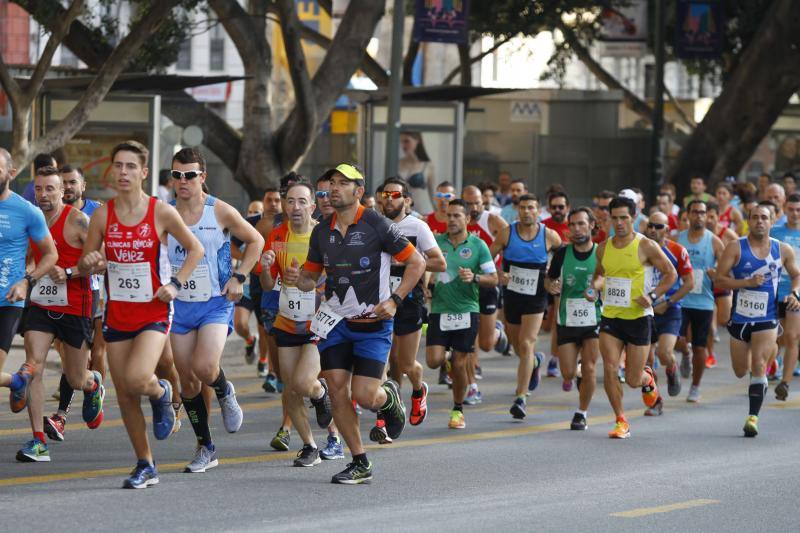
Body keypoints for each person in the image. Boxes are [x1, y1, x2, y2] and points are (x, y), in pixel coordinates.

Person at [79, 140, 204, 488]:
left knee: (137, 377)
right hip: (117, 313)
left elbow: (195, 249)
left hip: (153, 311)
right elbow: (88, 262)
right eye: (118, 165)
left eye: (130, 166)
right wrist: (93, 262)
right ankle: (145, 464)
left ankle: (163, 393)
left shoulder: (161, 211)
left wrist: (176, 283)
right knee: (125, 394)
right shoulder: (102, 215)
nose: (123, 172)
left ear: (144, 172)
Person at [291, 163, 425, 484]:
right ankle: (359, 460)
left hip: (372, 324)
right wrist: (301, 280)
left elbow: (416, 263)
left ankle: (388, 398)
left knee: (365, 396)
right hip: (335, 322)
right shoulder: (322, 230)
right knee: (337, 390)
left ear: (359, 191)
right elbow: (311, 277)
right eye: (331, 184)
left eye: (342, 183)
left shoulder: (376, 223)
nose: (334, 189)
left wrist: (394, 300)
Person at [167, 148, 261, 473]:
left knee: (205, 367)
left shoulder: (218, 210)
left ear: (202, 177)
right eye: (177, 175)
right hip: (178, 306)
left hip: (214, 303)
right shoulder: (165, 213)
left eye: (190, 175)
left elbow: (256, 241)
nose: (183, 181)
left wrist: (240, 277)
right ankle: (206, 446)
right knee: (188, 383)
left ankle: (224, 389)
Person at [16, 165, 103, 462]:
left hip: (75, 306)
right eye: (38, 189)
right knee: (34, 367)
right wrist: (26, 272)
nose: (43, 194)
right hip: (41, 305)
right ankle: (38, 440)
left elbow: (104, 260)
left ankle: (93, 384)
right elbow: (28, 257)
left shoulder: (78, 221)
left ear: (62, 191)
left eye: (49, 188)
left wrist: (71, 271)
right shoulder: (31, 219)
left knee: (76, 377)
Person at [589, 195, 677, 439]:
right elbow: (599, 275)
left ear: (634, 218)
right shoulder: (604, 247)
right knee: (608, 367)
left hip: (639, 317)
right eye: (614, 218)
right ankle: (621, 420)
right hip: (611, 316)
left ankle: (647, 379)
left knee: (633, 379)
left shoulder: (645, 245)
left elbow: (670, 273)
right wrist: (594, 286)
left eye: (624, 218)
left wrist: (653, 295)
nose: (618, 223)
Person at [260, 180, 334, 467]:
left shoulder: (324, 236)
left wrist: (308, 282)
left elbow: (337, 278)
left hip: (319, 323)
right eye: (290, 201)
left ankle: (320, 392)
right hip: (288, 320)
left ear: (312, 206)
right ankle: (309, 446)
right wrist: (267, 268)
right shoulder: (277, 236)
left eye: (302, 201)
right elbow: (268, 286)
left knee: (305, 382)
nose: (295, 207)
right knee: (290, 389)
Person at [715, 202, 800, 437]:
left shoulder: (782, 250)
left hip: (768, 316)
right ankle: (768, 357)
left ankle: (753, 417)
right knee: (740, 371)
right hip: (740, 318)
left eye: (764, 217)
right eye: (755, 217)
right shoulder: (735, 248)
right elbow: (720, 280)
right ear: (748, 221)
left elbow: (797, 275)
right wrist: (745, 284)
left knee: (758, 366)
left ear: (773, 221)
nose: (759, 221)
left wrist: (795, 293)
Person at [376, 177, 446, 440]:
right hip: (380, 300)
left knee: (404, 363)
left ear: (406, 200)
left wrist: (409, 261)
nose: (389, 199)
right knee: (381, 361)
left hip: (409, 300)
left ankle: (419, 389)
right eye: (385, 194)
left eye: (395, 195)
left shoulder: (418, 227)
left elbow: (440, 264)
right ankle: (386, 415)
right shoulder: (374, 225)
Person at [426, 199, 497, 429]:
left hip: (467, 311)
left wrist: (474, 277)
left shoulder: (478, 246)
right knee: (434, 360)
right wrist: (426, 284)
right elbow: (423, 267)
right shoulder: (436, 243)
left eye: (458, 215)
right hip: (439, 310)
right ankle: (447, 358)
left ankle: (457, 409)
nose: (452, 220)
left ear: (467, 219)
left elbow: (493, 279)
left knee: (459, 363)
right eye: (449, 215)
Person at [490, 194, 561, 419]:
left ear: (538, 211)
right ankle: (536, 362)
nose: (527, 211)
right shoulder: (507, 233)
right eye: (523, 208)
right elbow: (487, 259)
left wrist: (553, 279)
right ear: (518, 210)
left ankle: (520, 397)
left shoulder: (548, 235)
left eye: (531, 207)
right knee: (517, 344)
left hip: (536, 296)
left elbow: (563, 256)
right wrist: (498, 274)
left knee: (527, 342)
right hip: (512, 295)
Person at [0, 149, 57, 418]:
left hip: (7, 300)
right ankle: (16, 380)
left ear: (11, 174)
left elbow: (50, 254)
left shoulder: (27, 211)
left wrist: (26, 281)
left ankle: (16, 381)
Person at [545, 207, 600, 430]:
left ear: (592, 225)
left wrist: (597, 287)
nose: (577, 229)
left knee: (589, 368)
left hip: (594, 319)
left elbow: (606, 278)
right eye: (573, 225)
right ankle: (576, 373)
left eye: (581, 224)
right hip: (567, 319)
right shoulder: (562, 254)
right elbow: (548, 281)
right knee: (567, 373)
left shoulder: (601, 253)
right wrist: (552, 286)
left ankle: (581, 412)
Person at [642, 211, 695, 415]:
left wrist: (669, 301)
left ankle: (672, 370)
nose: (653, 230)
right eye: (651, 226)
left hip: (670, 308)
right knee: (646, 360)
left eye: (658, 226)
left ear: (667, 229)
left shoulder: (677, 251)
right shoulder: (640, 249)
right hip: (645, 308)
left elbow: (689, 282)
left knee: (664, 353)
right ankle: (655, 402)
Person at [462, 185, 509, 401]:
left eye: (477, 202)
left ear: (483, 202)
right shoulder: (457, 220)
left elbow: (511, 244)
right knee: (469, 338)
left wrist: (503, 270)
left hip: (488, 283)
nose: (473, 207)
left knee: (487, 343)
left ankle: (497, 331)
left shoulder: (493, 221)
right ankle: (472, 387)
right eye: (469, 203)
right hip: (464, 287)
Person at [677, 200, 724, 402]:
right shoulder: (677, 239)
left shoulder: (714, 242)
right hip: (680, 299)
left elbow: (725, 269)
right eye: (695, 212)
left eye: (702, 213)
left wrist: (717, 274)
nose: (699, 216)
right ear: (688, 215)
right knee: (675, 341)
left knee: (700, 347)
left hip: (703, 301)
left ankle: (695, 387)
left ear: (707, 215)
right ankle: (684, 354)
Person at [770, 193, 800, 400]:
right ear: (784, 208)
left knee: (791, 337)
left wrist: (795, 291)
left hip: (796, 292)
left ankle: (785, 383)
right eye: (791, 209)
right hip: (773, 291)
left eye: (798, 210)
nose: (795, 214)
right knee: (776, 338)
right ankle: (772, 363)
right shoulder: (774, 232)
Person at [398, 131, 435, 215]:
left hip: (424, 212)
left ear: (417, 141)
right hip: (403, 213)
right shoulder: (397, 165)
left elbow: (433, 193)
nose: (403, 145)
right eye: (401, 142)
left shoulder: (427, 165)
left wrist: (438, 214)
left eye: (407, 141)